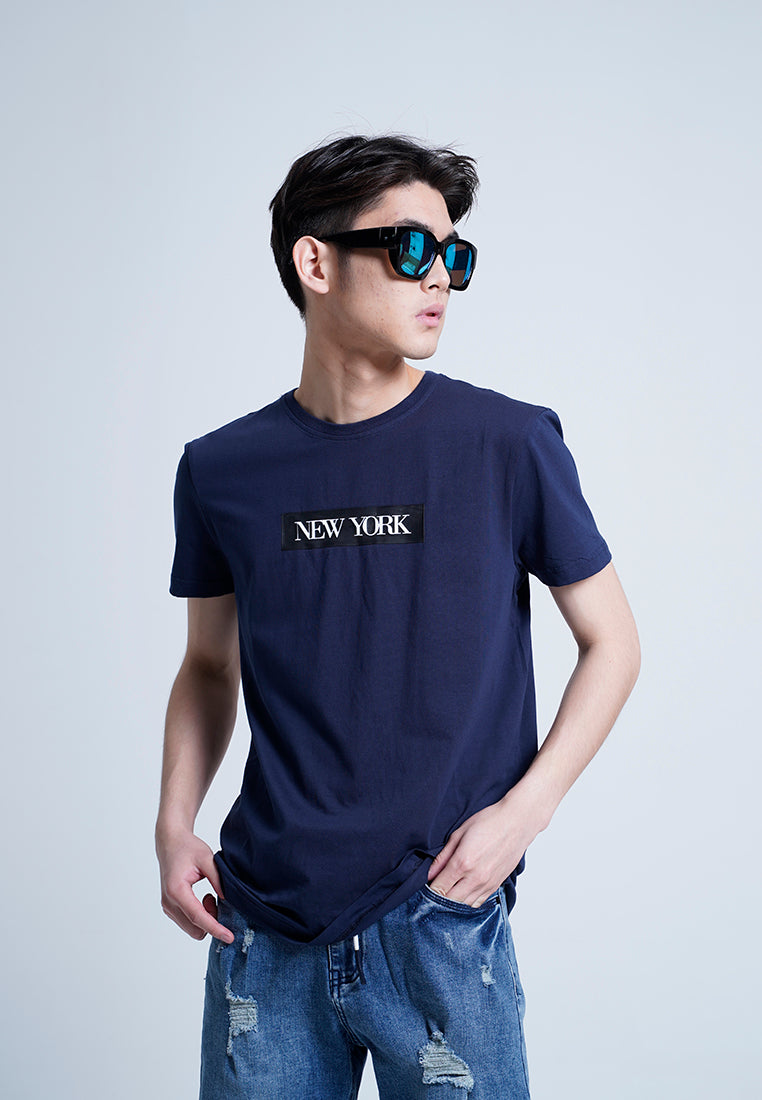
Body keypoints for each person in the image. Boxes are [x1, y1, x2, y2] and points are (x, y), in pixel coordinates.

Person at [155, 133, 640, 1100]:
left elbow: (612, 642)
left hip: (440, 920)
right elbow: (209, 666)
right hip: (265, 927)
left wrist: (522, 815)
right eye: (412, 248)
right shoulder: (220, 469)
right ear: (316, 262)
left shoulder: (507, 442)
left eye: (454, 255)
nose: (440, 277)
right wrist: (173, 825)